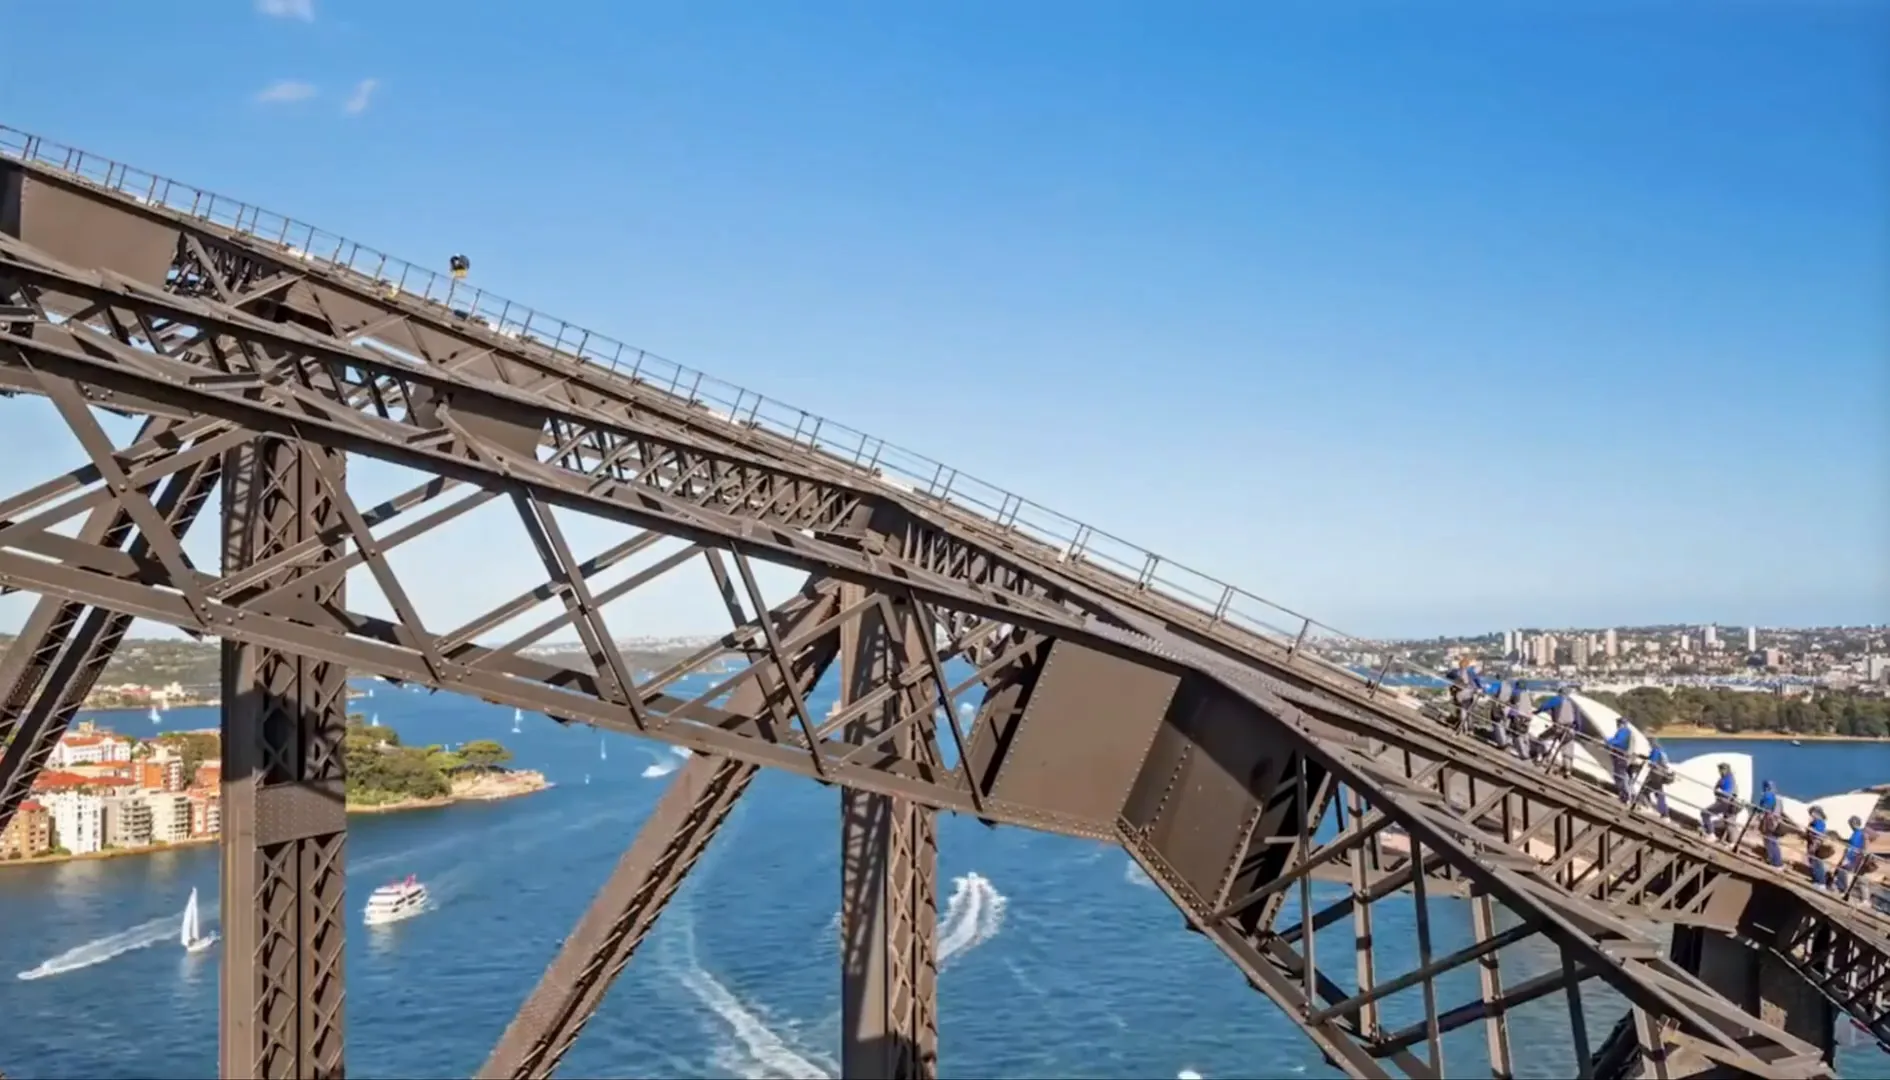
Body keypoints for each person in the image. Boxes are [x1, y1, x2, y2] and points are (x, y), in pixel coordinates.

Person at [1699, 763, 1738, 842]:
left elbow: (1729, 792)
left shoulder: (1729, 779)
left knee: (1704, 813)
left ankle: (1711, 834)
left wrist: (1720, 791)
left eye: (1721, 770)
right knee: (1728, 823)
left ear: (1725, 770)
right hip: (1725, 802)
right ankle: (1731, 842)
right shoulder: (1726, 778)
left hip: (1724, 802)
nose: (1719, 772)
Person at [1836, 815, 1872, 898]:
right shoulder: (1855, 833)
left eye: (1850, 824)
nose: (1850, 826)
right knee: (1843, 872)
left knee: (1848, 875)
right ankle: (1843, 890)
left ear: (1854, 823)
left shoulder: (1861, 833)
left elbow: (1864, 846)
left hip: (1854, 857)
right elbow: (1851, 843)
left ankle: (1846, 891)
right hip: (1850, 855)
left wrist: (1862, 854)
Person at [1638, 739, 1672, 819]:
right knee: (1659, 795)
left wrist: (1647, 762)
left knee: (1643, 792)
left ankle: (1647, 807)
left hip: (1655, 775)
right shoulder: (1662, 752)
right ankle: (1665, 814)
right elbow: (1654, 759)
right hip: (1661, 776)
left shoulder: (1656, 750)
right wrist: (1644, 757)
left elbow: (1652, 761)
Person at [1755, 780, 1784, 867]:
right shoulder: (1777, 799)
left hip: (1768, 821)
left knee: (1769, 841)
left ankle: (1776, 863)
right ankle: (1775, 861)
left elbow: (1764, 807)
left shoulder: (1768, 795)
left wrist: (1758, 810)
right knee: (1772, 842)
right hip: (1774, 822)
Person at [1606, 718, 1634, 803]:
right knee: (1621, 776)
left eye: (1618, 724)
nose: (1617, 726)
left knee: (1620, 776)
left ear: (1622, 724)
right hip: (1621, 756)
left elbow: (1619, 742)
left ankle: (1626, 796)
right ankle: (1626, 795)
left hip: (1620, 756)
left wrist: (1609, 741)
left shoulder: (1624, 731)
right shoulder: (1626, 732)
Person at [1806, 806, 1834, 888]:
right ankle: (1816, 879)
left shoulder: (1819, 822)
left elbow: (1818, 834)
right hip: (1812, 843)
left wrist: (1810, 829)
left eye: (1812, 813)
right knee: (1812, 862)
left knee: (1817, 862)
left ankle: (1821, 882)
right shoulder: (1815, 822)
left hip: (1816, 844)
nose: (1811, 815)